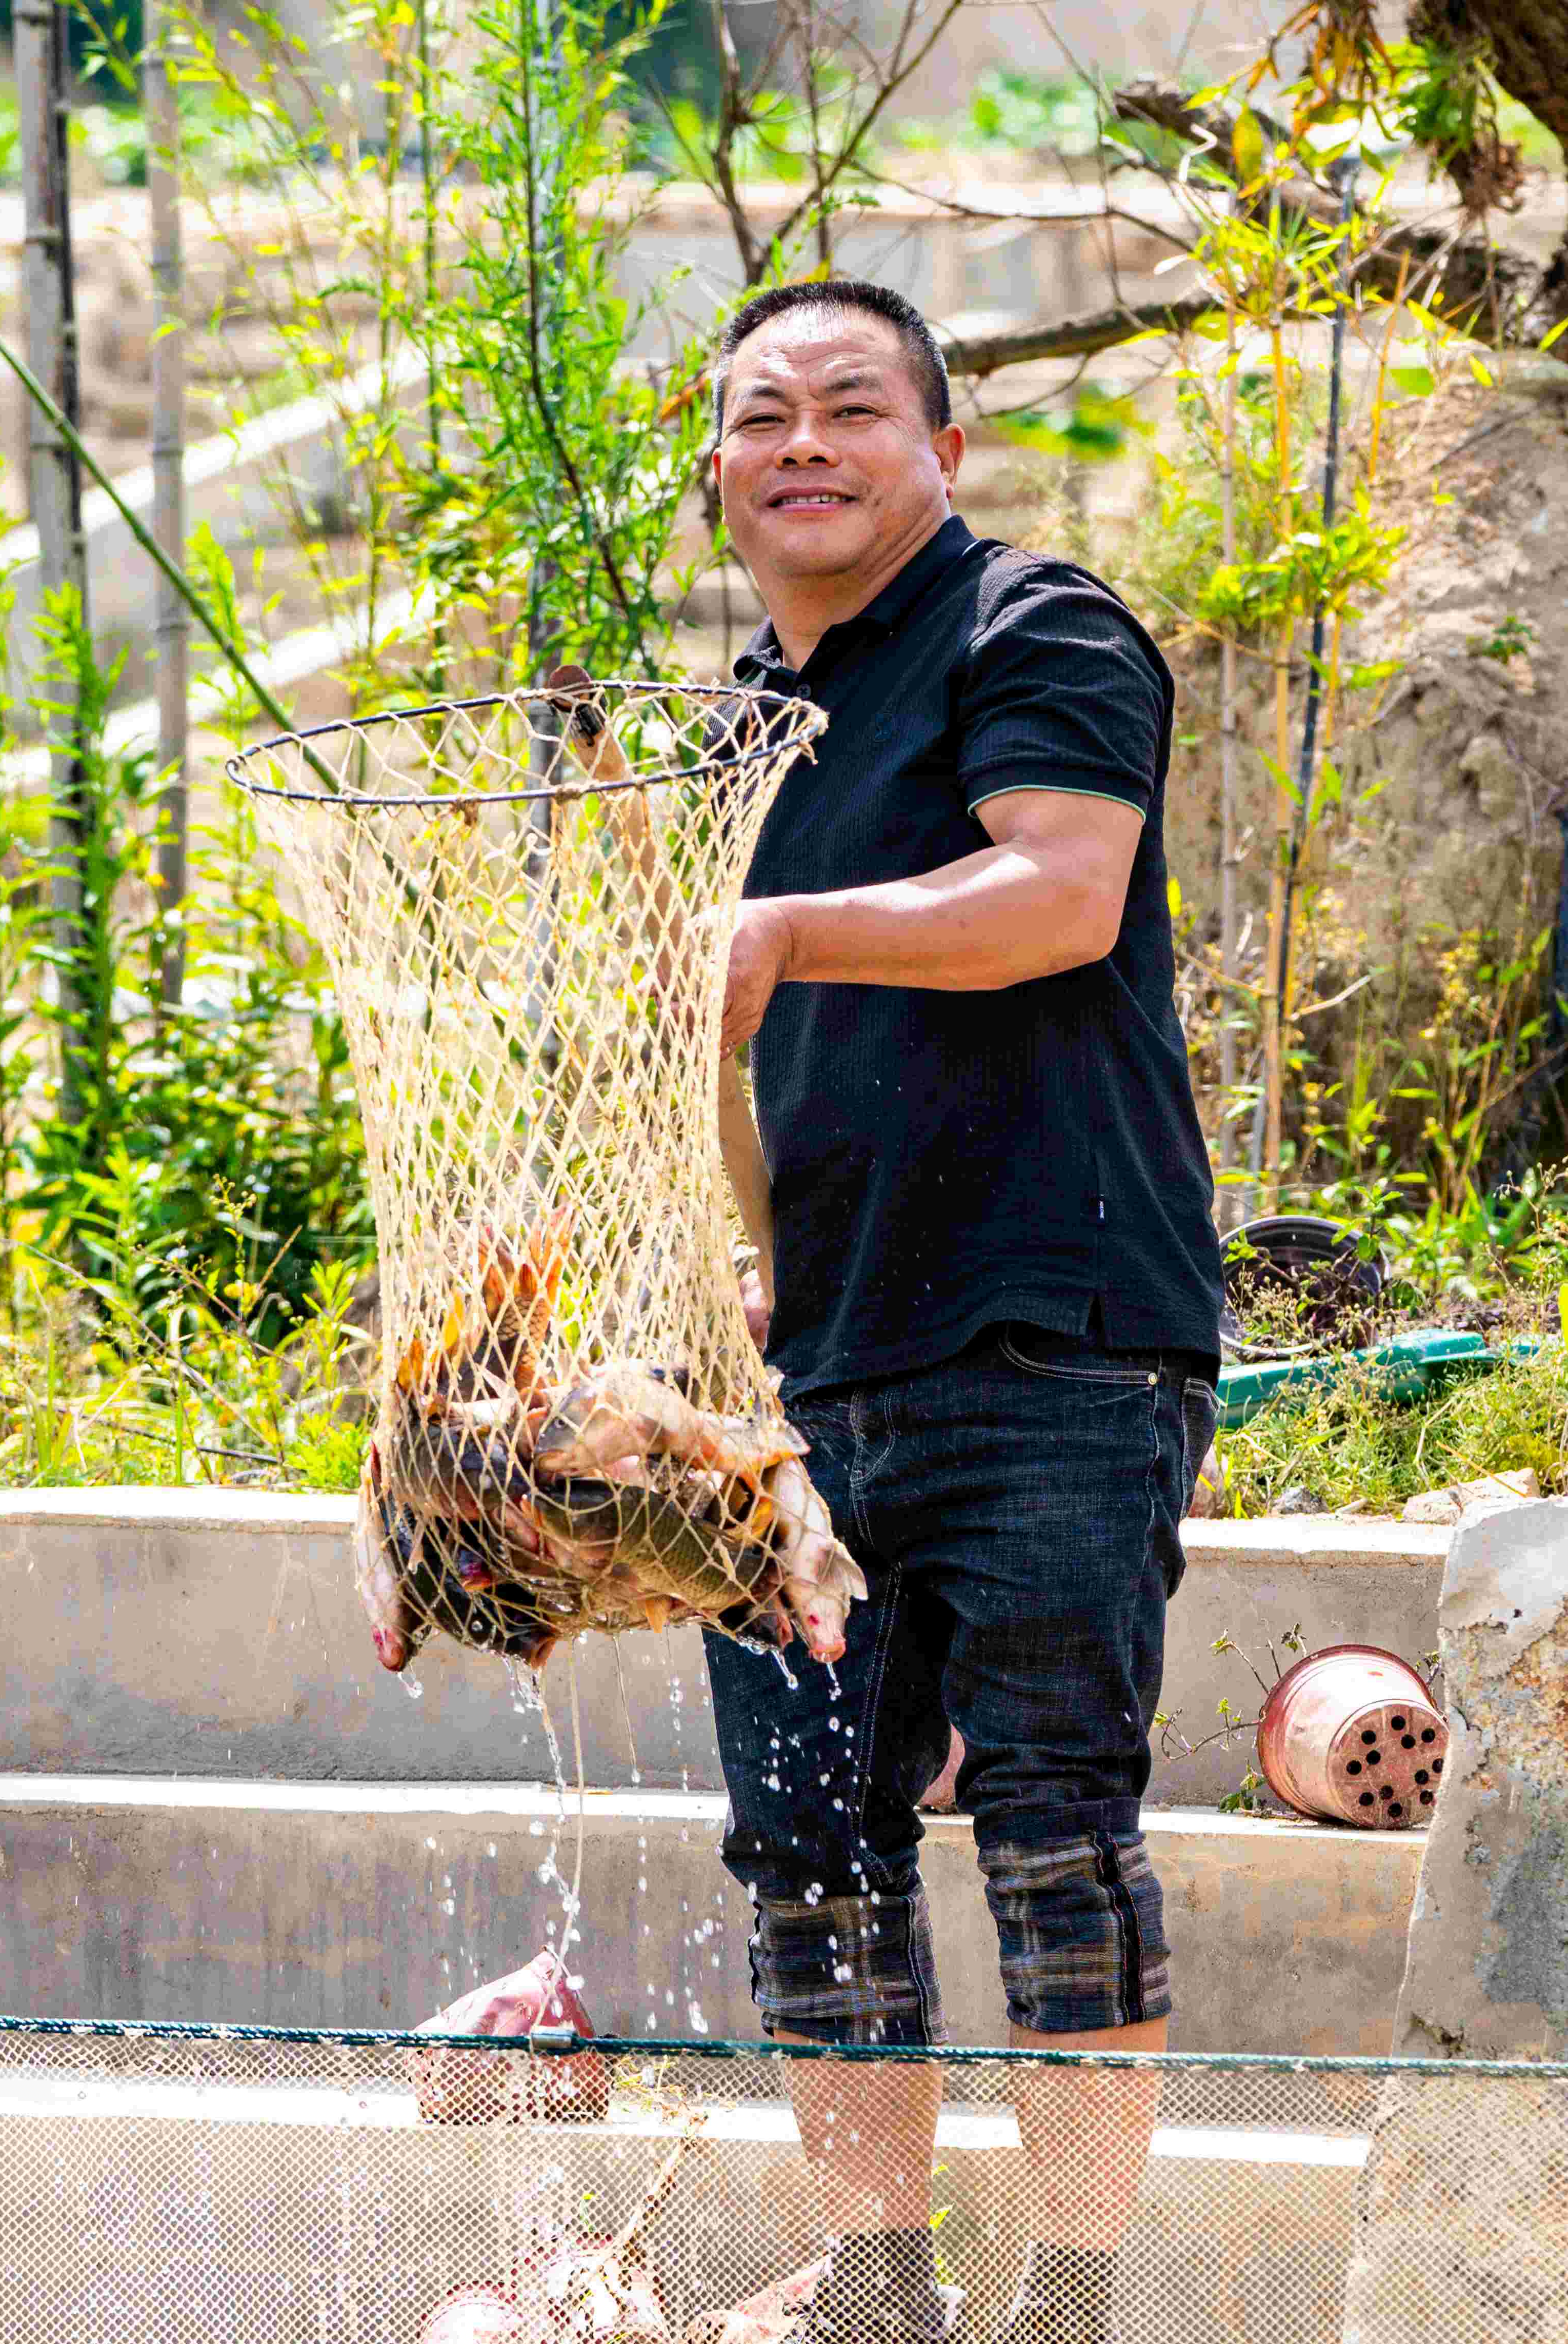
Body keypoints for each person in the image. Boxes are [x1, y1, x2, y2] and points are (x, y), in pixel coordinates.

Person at [692, 281, 1222, 2344]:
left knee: (1054, 1831)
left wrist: (775, 926)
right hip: (818, 1375)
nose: (803, 444)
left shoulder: (1036, 630)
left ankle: (1074, 2303)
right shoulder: (742, 725)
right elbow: (736, 1063)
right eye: (762, 419)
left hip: (1052, 1339)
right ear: (722, 471)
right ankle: (878, 2285)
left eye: (850, 409)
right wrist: (751, 1268)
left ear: (941, 448)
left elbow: (1062, 892)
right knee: (809, 1849)